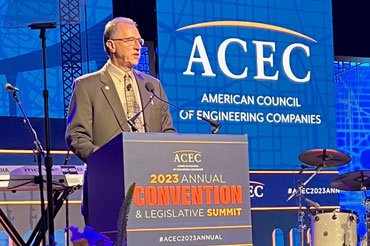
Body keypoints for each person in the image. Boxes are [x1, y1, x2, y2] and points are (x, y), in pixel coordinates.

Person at [65, 17, 176, 223]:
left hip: (152, 186)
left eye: (139, 41)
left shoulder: (153, 86)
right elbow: (77, 136)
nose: (137, 46)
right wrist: (107, 162)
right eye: (130, 40)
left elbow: (167, 131)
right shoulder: (87, 85)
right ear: (111, 45)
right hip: (107, 186)